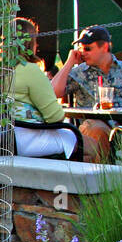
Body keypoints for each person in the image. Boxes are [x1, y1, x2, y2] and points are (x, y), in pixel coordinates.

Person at [50, 26, 122, 163]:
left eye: (88, 49)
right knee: (98, 129)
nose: (83, 53)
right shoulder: (79, 72)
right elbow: (53, 92)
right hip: (96, 123)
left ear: (104, 47)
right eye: (81, 48)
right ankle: (101, 177)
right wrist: (69, 62)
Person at [8, 18, 78, 159]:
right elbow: (55, 116)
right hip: (29, 138)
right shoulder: (30, 70)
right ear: (30, 42)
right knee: (88, 144)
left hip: (4, 137)